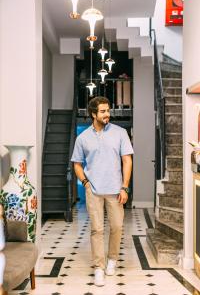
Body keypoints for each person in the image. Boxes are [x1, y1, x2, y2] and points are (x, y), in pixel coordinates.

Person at [71, 96, 133, 286]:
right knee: (97, 230)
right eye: (103, 111)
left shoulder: (120, 132)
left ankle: (112, 260)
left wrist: (124, 186)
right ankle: (99, 267)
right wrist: (86, 183)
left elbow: (127, 161)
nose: (108, 114)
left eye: (108, 110)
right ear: (93, 114)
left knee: (116, 227)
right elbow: (77, 164)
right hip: (94, 191)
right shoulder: (83, 138)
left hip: (116, 190)